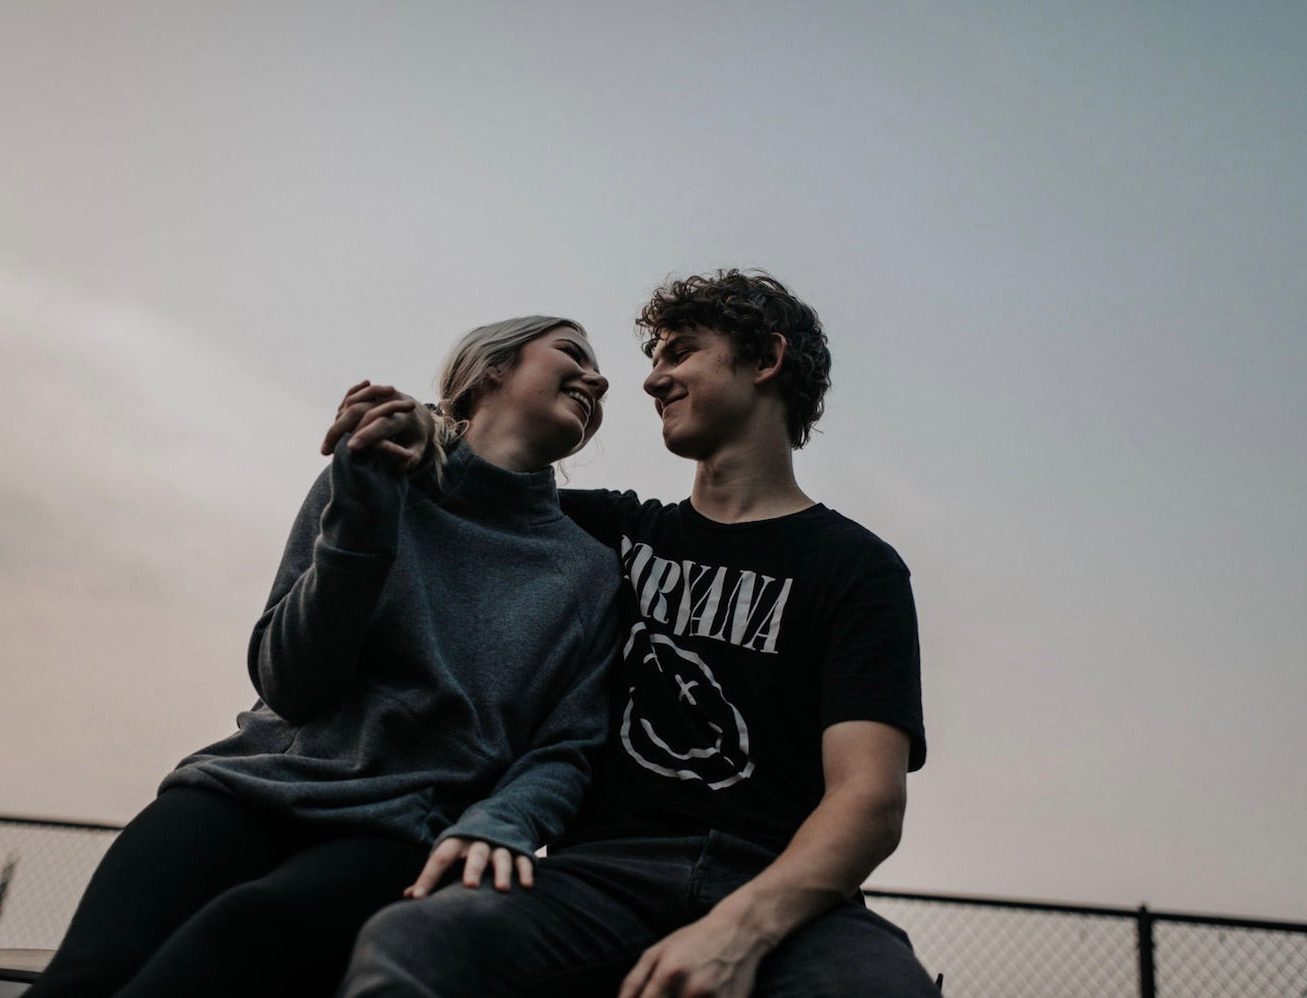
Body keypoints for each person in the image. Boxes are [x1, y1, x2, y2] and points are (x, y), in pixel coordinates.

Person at [329, 270, 939, 997]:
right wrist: (428, 429)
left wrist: (735, 932)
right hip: (596, 876)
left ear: (767, 361)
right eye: (655, 360)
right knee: (411, 944)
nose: (652, 382)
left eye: (681, 353)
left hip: (781, 889)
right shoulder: (606, 534)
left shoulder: (856, 568)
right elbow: (489, 483)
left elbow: (869, 800)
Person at [24, 316, 620, 997]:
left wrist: (500, 823)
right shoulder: (373, 468)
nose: (599, 379)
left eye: (600, 374)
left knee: (222, 949)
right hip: (248, 786)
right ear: (491, 370)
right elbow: (292, 683)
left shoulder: (590, 573)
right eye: (572, 353)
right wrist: (366, 511)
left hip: (400, 831)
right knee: (83, 977)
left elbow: (567, 747)